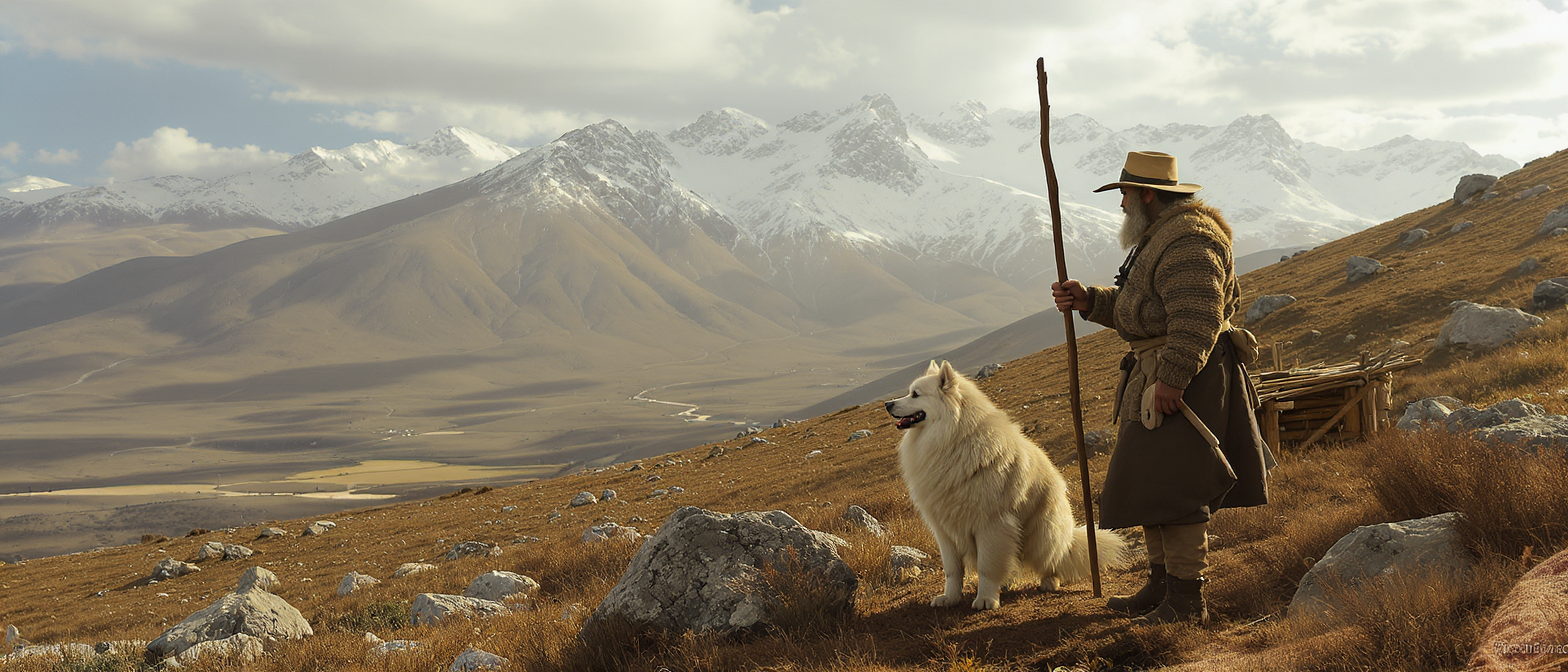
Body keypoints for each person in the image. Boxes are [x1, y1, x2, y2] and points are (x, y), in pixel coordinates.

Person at [1051, 151, 1273, 625]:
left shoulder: (1190, 240)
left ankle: (1188, 602)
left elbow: (1196, 317)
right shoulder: (1162, 236)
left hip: (1184, 379)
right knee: (1153, 483)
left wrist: (1172, 380)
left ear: (1148, 195)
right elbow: (1142, 309)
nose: (1122, 205)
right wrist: (1090, 300)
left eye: (1126, 194)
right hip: (1160, 376)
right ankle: (1161, 585)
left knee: (1178, 490)